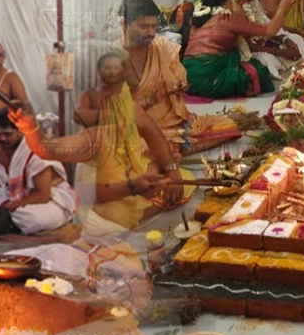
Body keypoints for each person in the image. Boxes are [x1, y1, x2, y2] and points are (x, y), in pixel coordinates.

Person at [12, 52, 192, 235]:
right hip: (105, 198)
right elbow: (47, 149)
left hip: (131, 180)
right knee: (112, 217)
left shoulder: (127, 107)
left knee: (183, 178)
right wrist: (31, 128)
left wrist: (170, 170)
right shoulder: (94, 135)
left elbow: (151, 131)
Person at [115, 0, 242, 158]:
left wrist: (180, 85)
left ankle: (172, 149)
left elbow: (179, 78)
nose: (151, 33)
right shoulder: (113, 59)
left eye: (154, 27)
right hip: (142, 129)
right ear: (124, 23)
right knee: (134, 149)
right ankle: (170, 149)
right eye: (144, 27)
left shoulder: (161, 47)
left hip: (174, 122)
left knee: (227, 126)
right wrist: (151, 100)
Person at [0, 109, 77, 235]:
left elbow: (42, 195)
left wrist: (6, 209)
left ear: (21, 131)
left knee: (28, 218)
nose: (2, 138)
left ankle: (4, 219)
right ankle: (2, 219)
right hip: (15, 195)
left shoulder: (36, 150)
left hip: (51, 199)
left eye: (8, 134)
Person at [182, 0, 299, 98]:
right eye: (230, 0)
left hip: (188, 78)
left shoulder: (197, 21)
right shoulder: (227, 18)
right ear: (224, 2)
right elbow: (270, 30)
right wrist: (282, 9)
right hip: (211, 78)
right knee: (258, 72)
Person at [227, 0, 304, 82]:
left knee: (297, 40)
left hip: (263, 40)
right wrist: (280, 51)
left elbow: (265, 24)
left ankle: (301, 69)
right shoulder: (236, 10)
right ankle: (284, 75)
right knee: (269, 60)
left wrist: (284, 39)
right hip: (247, 51)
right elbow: (249, 46)